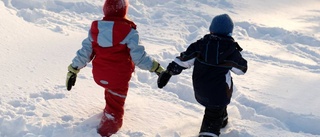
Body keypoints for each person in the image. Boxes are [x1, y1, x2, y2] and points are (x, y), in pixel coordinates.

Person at [65, 0, 164, 136]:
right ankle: (107, 128)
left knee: (110, 89)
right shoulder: (129, 32)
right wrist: (157, 68)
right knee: (116, 105)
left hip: (100, 74)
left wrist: (73, 69)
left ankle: (108, 109)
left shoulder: (96, 30)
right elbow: (139, 58)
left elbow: (85, 53)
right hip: (119, 77)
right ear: (124, 12)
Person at [157, 14, 248, 137]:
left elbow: (182, 61)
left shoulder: (200, 45)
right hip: (219, 93)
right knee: (213, 113)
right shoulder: (231, 51)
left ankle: (223, 119)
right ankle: (209, 132)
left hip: (201, 91)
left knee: (217, 106)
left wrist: (168, 73)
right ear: (230, 33)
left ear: (211, 30)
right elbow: (241, 70)